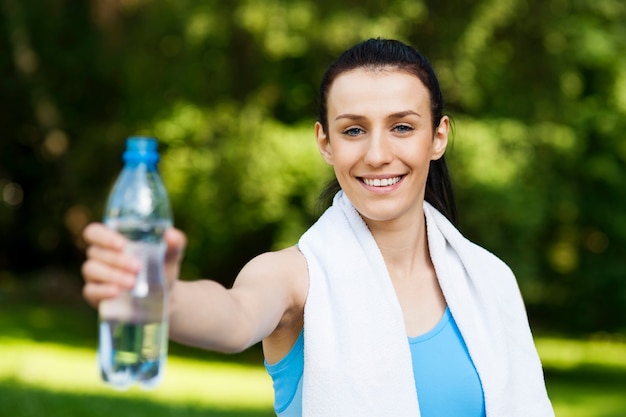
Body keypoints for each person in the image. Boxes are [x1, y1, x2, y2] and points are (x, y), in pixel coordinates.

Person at [81, 38, 554, 417]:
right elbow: (235, 316)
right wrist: (164, 295)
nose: (376, 154)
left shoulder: (489, 281)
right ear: (325, 143)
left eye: (402, 127)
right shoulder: (296, 277)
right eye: (353, 130)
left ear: (439, 136)